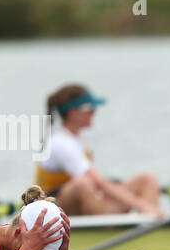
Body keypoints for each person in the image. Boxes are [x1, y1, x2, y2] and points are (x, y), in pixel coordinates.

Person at [36, 84, 163, 216]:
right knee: (83, 184)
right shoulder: (60, 142)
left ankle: (151, 220)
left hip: (82, 198)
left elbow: (98, 183)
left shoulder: (81, 135)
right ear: (73, 113)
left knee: (147, 179)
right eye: (90, 109)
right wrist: (141, 205)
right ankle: (137, 215)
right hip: (51, 208)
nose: (94, 113)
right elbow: (100, 183)